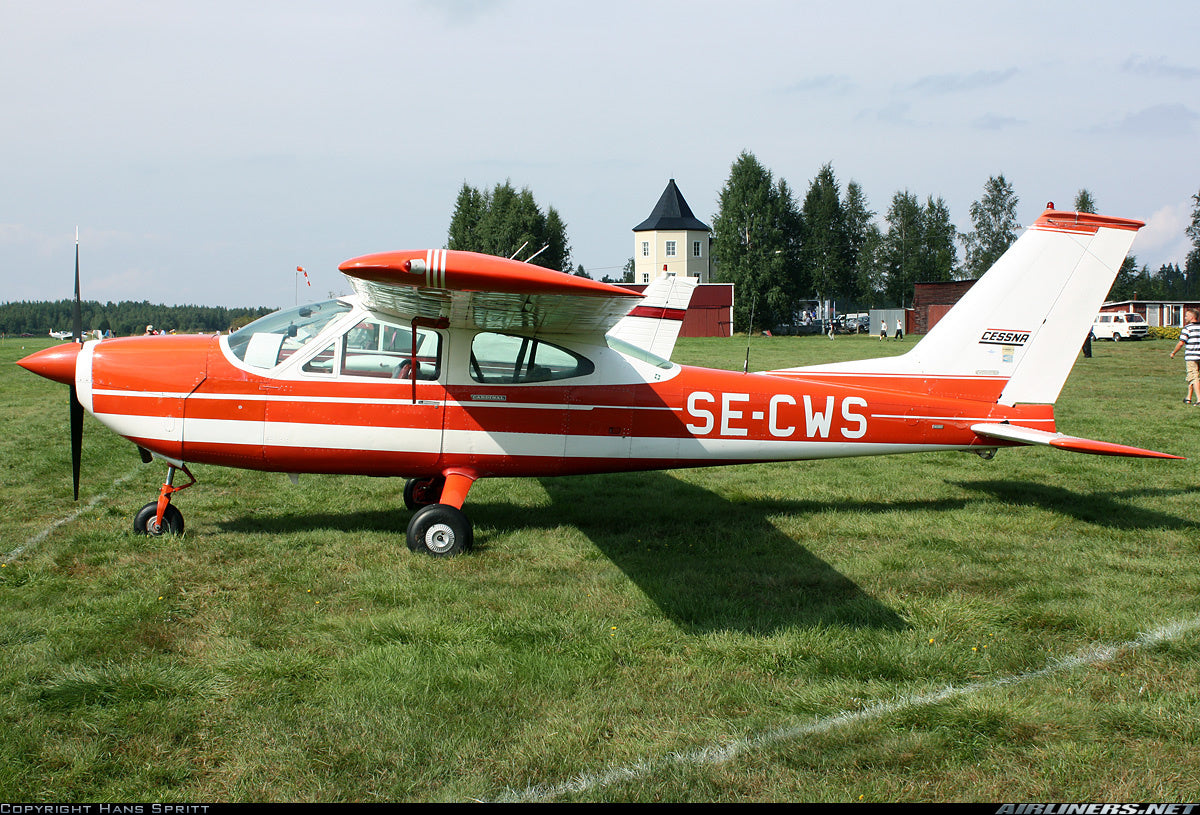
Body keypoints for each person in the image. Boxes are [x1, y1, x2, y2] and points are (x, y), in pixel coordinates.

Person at [1169, 309, 1200, 404]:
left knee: (1194, 377)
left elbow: (1181, 343)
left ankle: (1199, 399)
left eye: (1186, 316)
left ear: (1192, 317)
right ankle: (1188, 398)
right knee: (1193, 376)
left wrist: (1173, 352)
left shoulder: (1187, 328)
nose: (1185, 317)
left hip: (1192, 356)